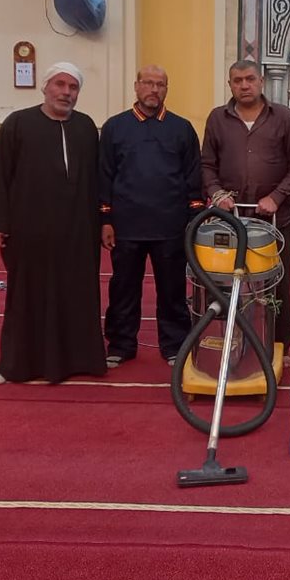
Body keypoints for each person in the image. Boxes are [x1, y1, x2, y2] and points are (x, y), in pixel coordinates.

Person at [0, 62, 107, 384]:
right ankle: (17, 365)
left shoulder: (86, 127)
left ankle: (79, 360)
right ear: (45, 87)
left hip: (77, 232)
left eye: (73, 87)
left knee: (76, 294)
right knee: (27, 296)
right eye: (60, 84)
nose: (66, 92)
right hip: (29, 230)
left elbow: (98, 180)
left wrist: (104, 220)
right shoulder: (18, 124)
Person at [202, 60, 290, 366]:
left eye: (250, 79)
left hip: (274, 222)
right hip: (230, 221)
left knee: (275, 283)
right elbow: (207, 164)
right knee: (230, 283)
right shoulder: (217, 119)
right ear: (230, 85)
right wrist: (217, 193)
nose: (244, 85)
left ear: (261, 81)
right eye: (237, 80)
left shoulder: (283, 118)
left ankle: (278, 345)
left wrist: (277, 197)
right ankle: (233, 340)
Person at [99, 65, 204, 369]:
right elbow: (104, 175)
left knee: (172, 290)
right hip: (126, 226)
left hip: (170, 226)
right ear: (136, 86)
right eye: (148, 83)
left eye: (160, 84)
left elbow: (193, 177)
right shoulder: (115, 127)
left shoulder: (182, 128)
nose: (154, 89)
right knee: (123, 288)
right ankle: (121, 344)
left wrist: (193, 219)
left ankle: (175, 345)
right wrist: (105, 219)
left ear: (166, 89)